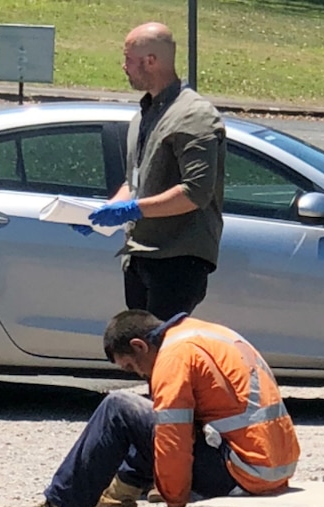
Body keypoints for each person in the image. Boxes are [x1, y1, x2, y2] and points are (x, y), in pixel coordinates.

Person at [0, 310, 301, 507]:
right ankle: (116, 501)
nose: (139, 374)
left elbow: (173, 443)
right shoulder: (203, 333)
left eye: (131, 366)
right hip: (268, 468)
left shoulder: (173, 357)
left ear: (140, 346)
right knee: (151, 416)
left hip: (241, 476)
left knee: (119, 407)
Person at [78, 21, 226, 321]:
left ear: (151, 61)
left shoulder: (193, 115)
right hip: (139, 255)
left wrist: (132, 210)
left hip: (177, 259)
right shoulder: (145, 113)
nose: (124, 67)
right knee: (143, 356)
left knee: (163, 353)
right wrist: (103, 213)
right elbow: (135, 181)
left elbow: (195, 192)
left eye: (129, 59)